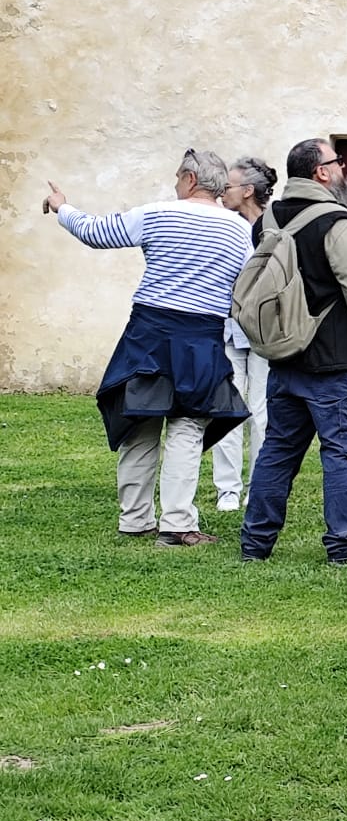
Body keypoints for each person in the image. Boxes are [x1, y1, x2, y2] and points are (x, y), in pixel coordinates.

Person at [47, 149, 252, 546]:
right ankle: (176, 524)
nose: (175, 184)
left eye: (177, 177)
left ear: (190, 179)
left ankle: (135, 519)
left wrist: (62, 207)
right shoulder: (238, 230)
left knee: (140, 424)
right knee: (187, 428)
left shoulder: (157, 214)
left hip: (149, 333)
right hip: (202, 337)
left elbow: (95, 232)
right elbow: (247, 283)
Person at [239, 138, 347, 565]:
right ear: (321, 172)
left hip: (285, 356)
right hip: (337, 362)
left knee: (277, 452)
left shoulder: (269, 219)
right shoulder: (338, 222)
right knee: (341, 454)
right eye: (337, 162)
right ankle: (346, 548)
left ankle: (255, 545)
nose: (343, 169)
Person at [209, 155, 276, 513]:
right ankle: (227, 489)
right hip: (229, 326)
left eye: (229, 186)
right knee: (228, 408)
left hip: (265, 331)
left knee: (262, 412)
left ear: (248, 190)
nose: (222, 191)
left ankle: (259, 485)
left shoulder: (275, 226)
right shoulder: (223, 226)